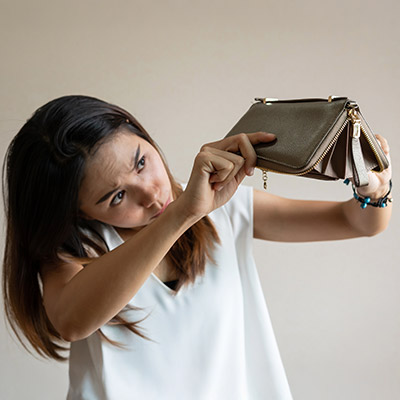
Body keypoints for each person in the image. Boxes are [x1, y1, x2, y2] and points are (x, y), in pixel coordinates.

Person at [2, 95, 392, 400]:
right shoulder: (76, 251)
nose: (150, 194)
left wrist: (374, 188)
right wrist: (183, 213)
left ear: (142, 134)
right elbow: (71, 321)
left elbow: (357, 222)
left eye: (141, 162)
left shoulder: (227, 210)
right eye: (117, 196)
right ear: (79, 212)